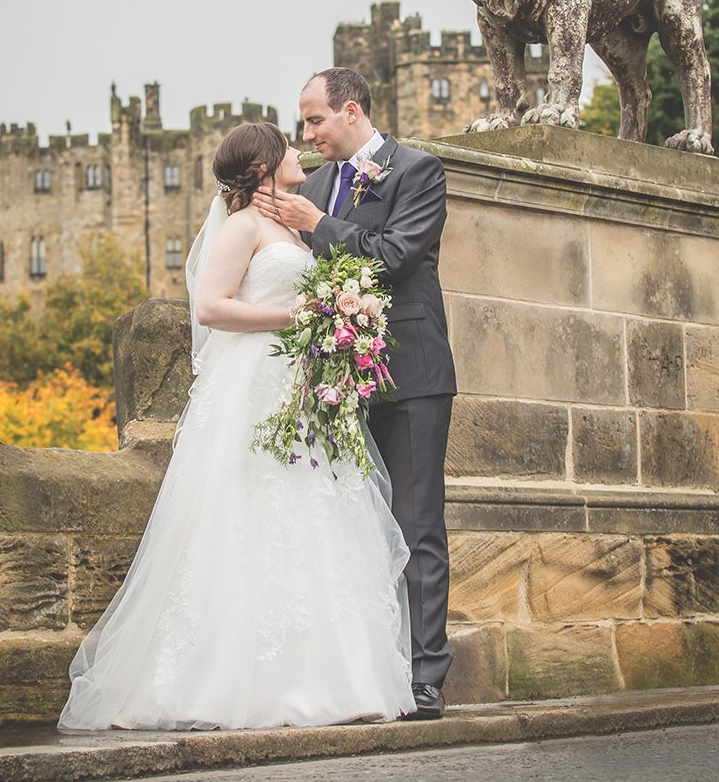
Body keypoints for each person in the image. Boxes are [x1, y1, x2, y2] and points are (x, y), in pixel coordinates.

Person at [58, 121, 416, 731]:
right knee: (249, 516)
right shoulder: (244, 225)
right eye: (287, 145)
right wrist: (297, 316)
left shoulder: (292, 228)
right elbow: (210, 307)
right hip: (255, 385)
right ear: (264, 165)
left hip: (300, 391)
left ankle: (333, 678)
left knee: (315, 516)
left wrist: (333, 321)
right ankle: (230, 684)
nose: (301, 150)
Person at [253, 69, 457, 720]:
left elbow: (394, 255)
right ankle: (366, 672)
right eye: (302, 122)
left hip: (410, 371)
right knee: (347, 526)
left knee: (416, 525)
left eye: (314, 120)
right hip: (331, 377)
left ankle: (425, 677)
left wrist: (318, 225)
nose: (305, 134)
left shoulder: (416, 170)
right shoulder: (308, 185)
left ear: (349, 111)